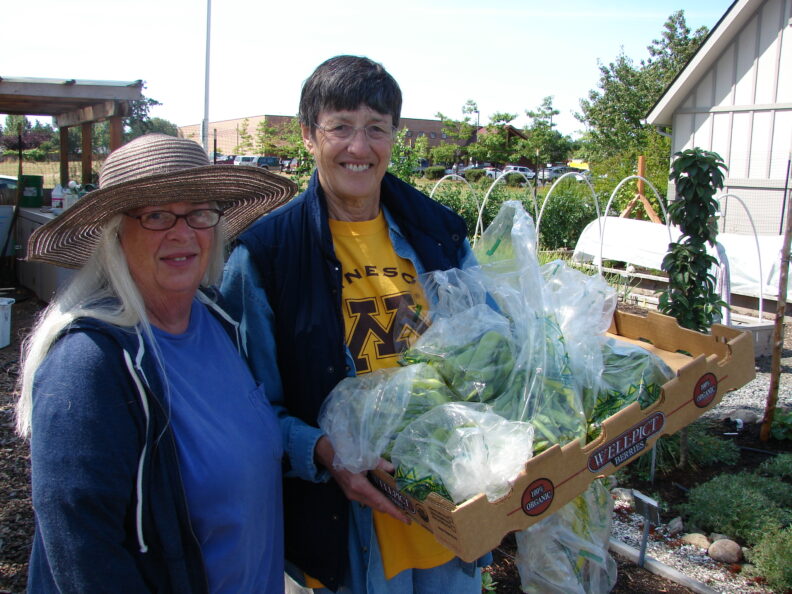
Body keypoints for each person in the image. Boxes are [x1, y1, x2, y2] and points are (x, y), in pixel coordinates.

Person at [221, 55, 487, 593]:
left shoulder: (439, 234)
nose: (359, 148)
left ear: (395, 136)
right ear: (308, 136)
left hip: (450, 523)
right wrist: (326, 452)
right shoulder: (265, 257)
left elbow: (490, 350)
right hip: (346, 534)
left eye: (376, 129)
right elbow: (245, 409)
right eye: (340, 127)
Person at [16, 134, 296, 593]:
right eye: (156, 215)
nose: (183, 233)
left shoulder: (218, 320)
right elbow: (86, 559)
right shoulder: (89, 365)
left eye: (200, 213)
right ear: (114, 234)